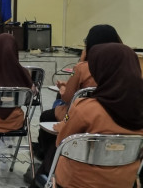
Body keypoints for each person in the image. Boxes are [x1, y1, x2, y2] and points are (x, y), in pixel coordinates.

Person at [50, 43, 143, 188]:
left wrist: (63, 125)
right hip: (123, 183)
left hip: (77, 183)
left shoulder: (85, 109)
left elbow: (61, 144)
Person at [32, 25, 122, 166]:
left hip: (85, 115)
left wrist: (64, 86)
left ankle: (49, 155)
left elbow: (68, 98)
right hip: (118, 115)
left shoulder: (85, 67)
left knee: (47, 115)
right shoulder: (126, 68)